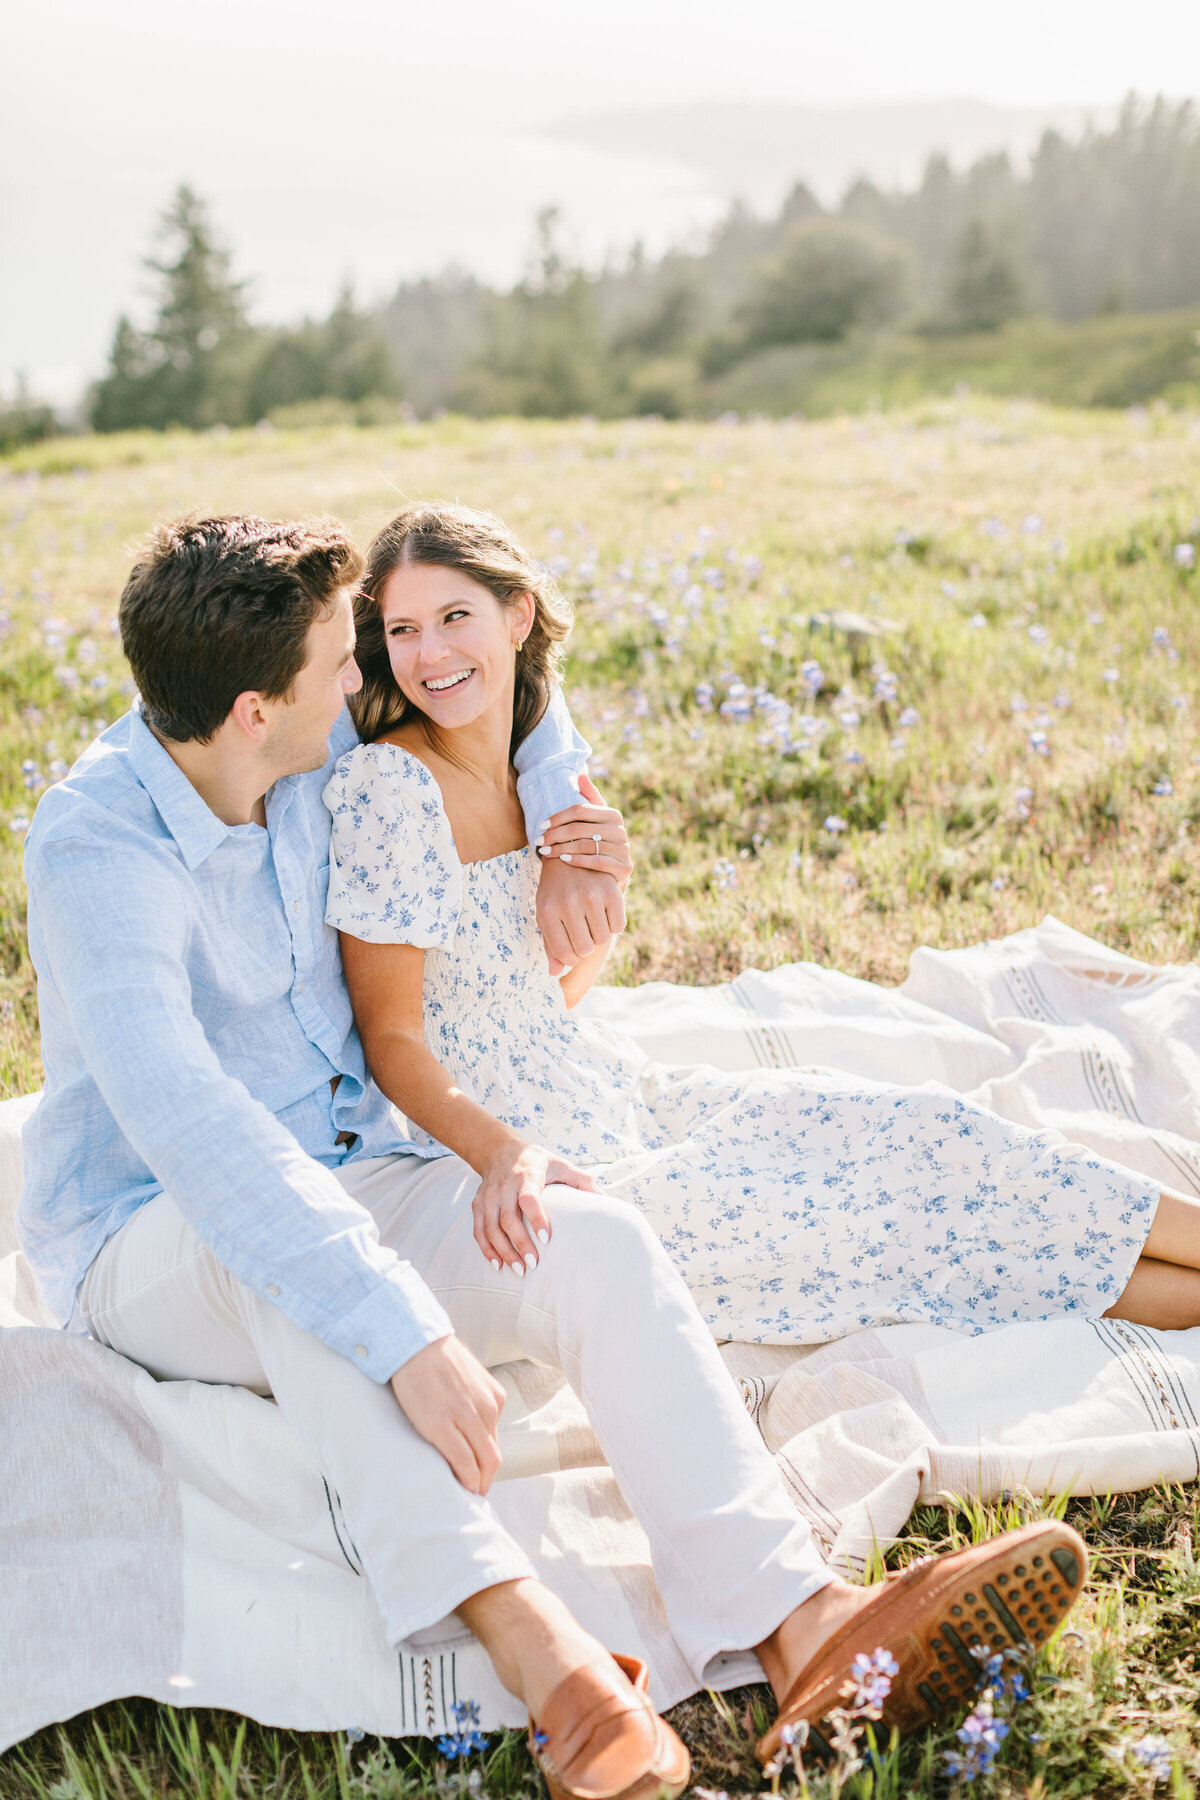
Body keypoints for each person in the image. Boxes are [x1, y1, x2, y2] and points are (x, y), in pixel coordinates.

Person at [20, 513, 1084, 1800]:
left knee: (594, 1239)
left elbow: (510, 687)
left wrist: (578, 827)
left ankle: (804, 1629)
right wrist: (400, 1332)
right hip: (151, 1238)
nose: (365, 677)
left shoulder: (303, 746)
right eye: (338, 665)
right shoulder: (97, 846)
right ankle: (560, 1673)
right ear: (256, 711)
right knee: (297, 1277)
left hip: (363, 1169)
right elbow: (189, 1119)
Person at [326, 500, 1200, 1355]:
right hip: (541, 1153)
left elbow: (541, 1000)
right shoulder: (391, 790)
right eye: (402, 630)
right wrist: (505, 1155)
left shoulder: (544, 779)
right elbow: (394, 1037)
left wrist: (602, 899)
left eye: (453, 616)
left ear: (516, 615)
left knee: (924, 1130)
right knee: (885, 1232)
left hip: (616, 1092)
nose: (430, 653)